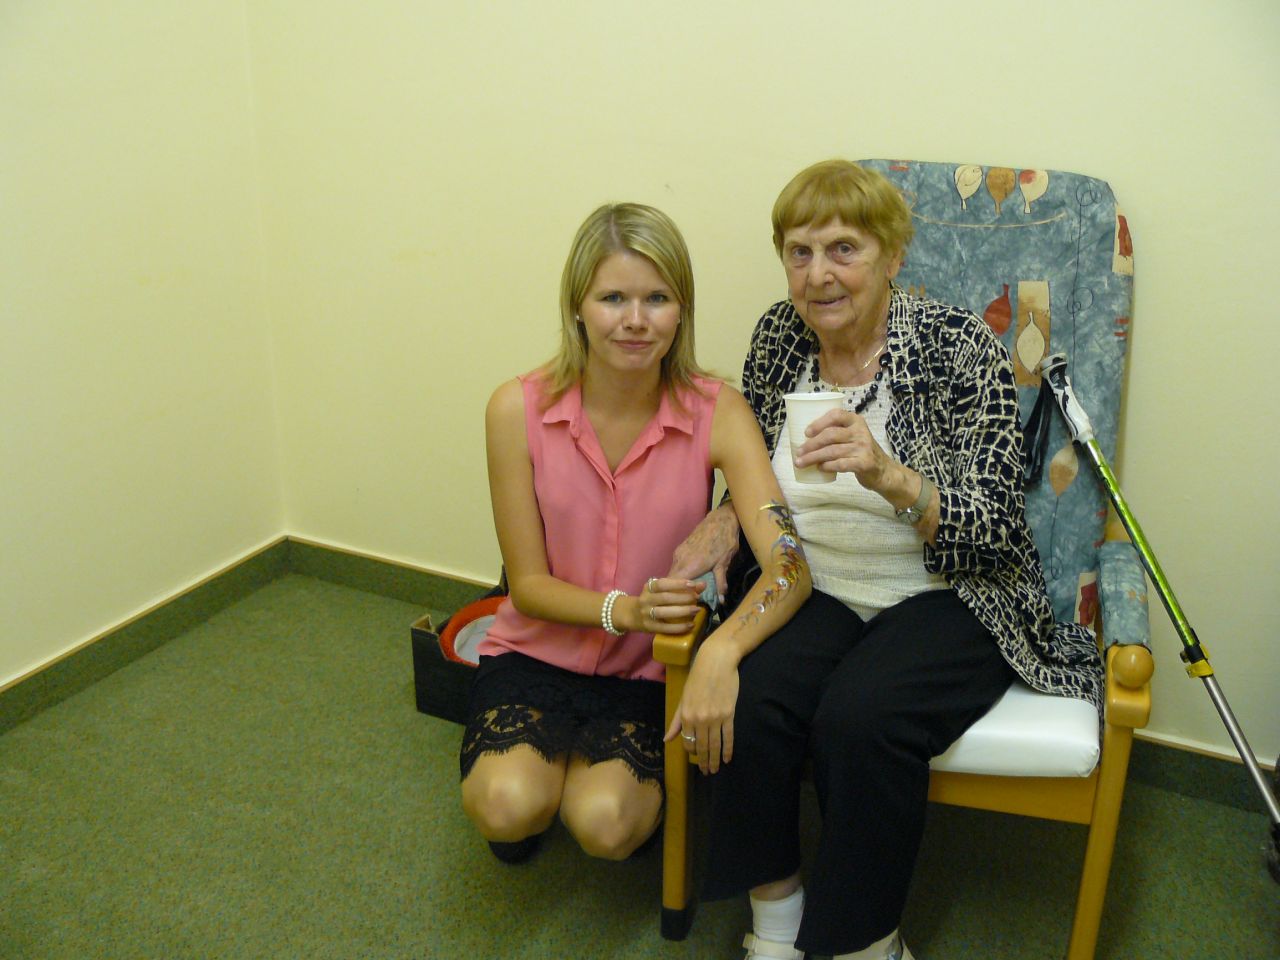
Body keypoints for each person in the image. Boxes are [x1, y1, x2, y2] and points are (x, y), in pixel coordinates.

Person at [666, 161, 1105, 960]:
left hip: (948, 591)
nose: (819, 274)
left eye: (844, 249)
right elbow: (755, 466)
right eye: (800, 252)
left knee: (862, 717)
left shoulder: (958, 347)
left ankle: (867, 943)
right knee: (753, 697)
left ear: (893, 256)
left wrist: (887, 474)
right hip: (815, 584)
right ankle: (776, 921)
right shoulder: (779, 337)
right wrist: (729, 514)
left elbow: (994, 529)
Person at [461, 202, 811, 866]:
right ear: (577, 306)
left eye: (657, 299)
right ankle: (533, 794)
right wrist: (625, 611)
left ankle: (602, 793)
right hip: (536, 651)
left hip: (650, 669)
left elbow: (789, 567)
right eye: (612, 298)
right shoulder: (514, 408)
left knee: (604, 826)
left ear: (682, 311)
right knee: (507, 807)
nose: (634, 320)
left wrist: (721, 651)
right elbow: (527, 587)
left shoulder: (719, 410)